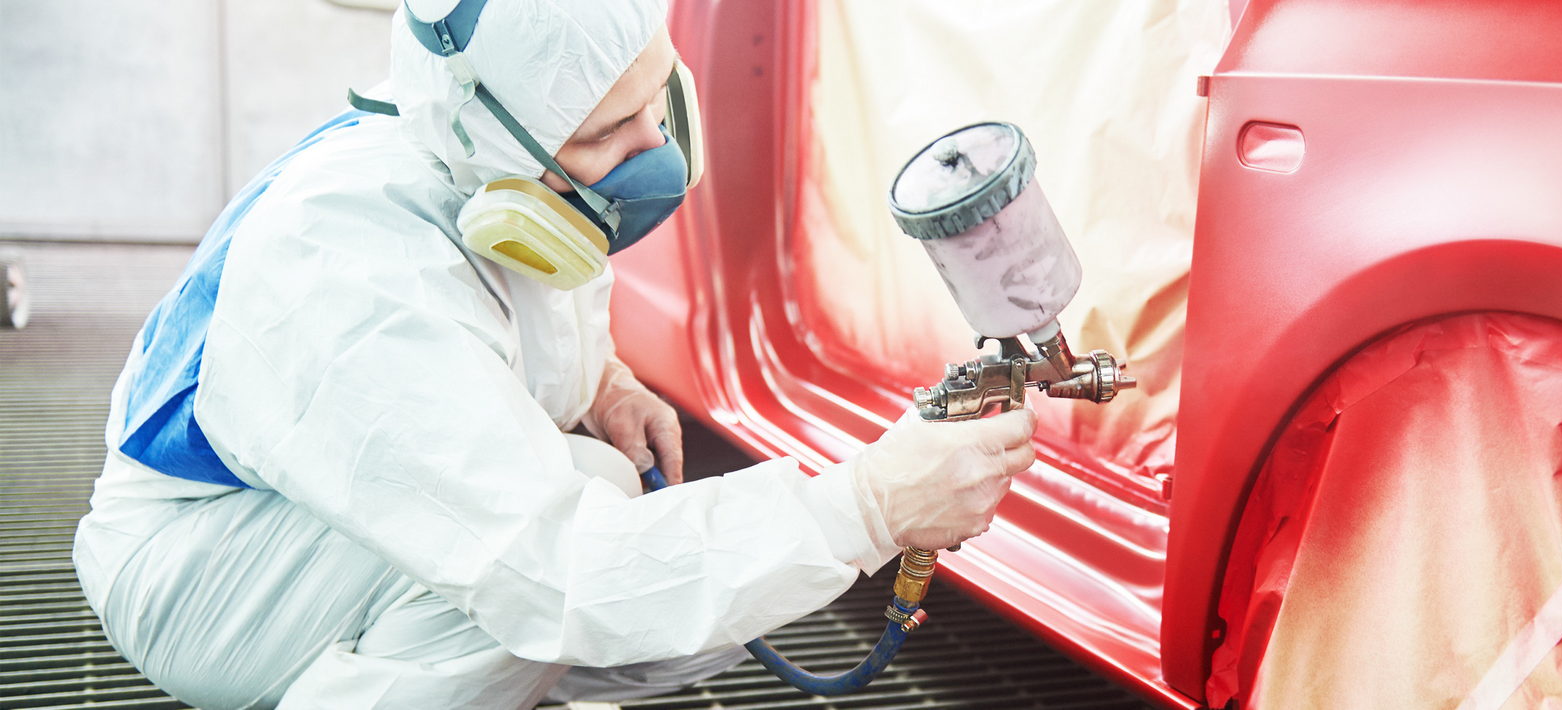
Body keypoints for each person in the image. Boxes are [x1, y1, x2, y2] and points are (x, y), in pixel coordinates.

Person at [69, 0, 1038, 707]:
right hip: (197, 572)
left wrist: (606, 377)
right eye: (610, 130)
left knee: (637, 533)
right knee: (535, 570)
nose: (653, 148)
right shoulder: (351, 268)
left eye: (655, 103)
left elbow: (523, 307)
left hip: (293, 532)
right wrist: (868, 505)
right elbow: (552, 571)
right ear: (493, 138)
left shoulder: (498, 181)